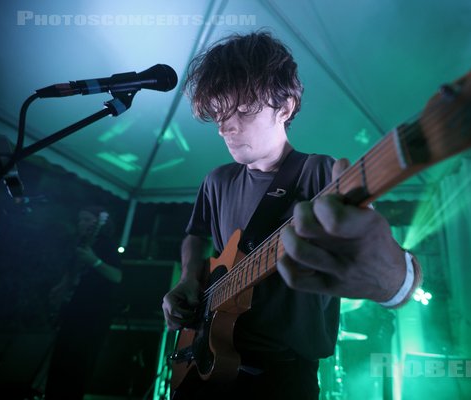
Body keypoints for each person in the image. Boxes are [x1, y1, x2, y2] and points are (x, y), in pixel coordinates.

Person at [162, 31, 422, 399]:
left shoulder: (321, 174)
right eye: (219, 113)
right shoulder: (216, 181)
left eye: (240, 110)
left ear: (284, 106)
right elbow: (196, 234)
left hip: (282, 378)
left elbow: (389, 271)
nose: (224, 127)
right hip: (205, 360)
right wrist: (188, 279)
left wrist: (394, 279)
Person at [44, 205, 123, 400]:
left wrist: (94, 261)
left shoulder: (106, 245)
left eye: (87, 219)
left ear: (99, 223)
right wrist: (60, 288)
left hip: (93, 316)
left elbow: (117, 276)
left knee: (78, 365)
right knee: (59, 362)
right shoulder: (78, 245)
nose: (82, 223)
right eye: (80, 219)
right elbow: (71, 276)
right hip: (72, 312)